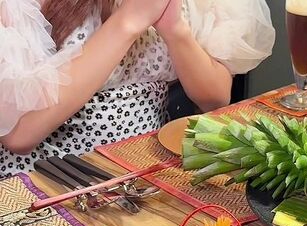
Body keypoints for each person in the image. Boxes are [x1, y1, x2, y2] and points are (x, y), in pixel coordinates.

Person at [0, 0, 275, 175]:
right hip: (49, 177)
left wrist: (175, 30)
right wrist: (129, 22)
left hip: (147, 171)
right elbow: (19, 132)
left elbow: (215, 99)